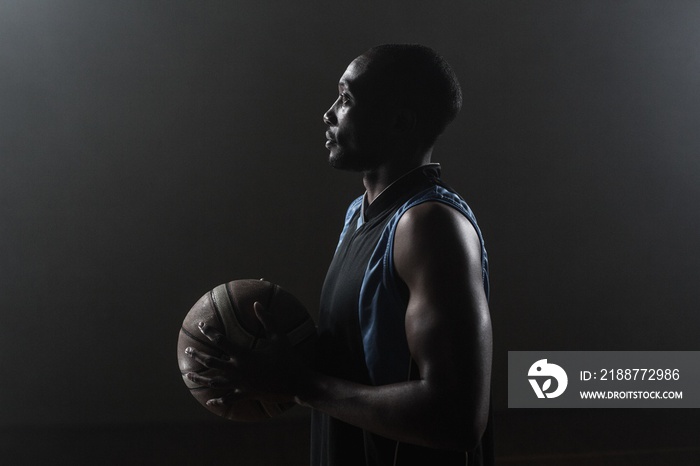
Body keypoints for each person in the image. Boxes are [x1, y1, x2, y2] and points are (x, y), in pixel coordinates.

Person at [185, 44, 493, 466]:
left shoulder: (428, 225)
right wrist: (267, 357)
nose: (329, 113)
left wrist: (300, 384)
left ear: (400, 121)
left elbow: (457, 417)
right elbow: (363, 367)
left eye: (347, 99)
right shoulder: (359, 215)